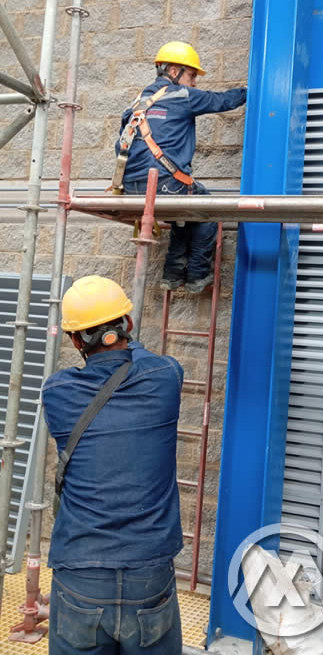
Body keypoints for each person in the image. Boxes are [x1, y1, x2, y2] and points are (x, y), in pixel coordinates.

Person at [42, 275, 184, 654]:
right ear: (129, 324)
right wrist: (120, 338)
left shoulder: (57, 393)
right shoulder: (166, 377)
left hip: (80, 569)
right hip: (148, 571)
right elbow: (142, 356)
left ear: (75, 341)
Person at [115, 41, 247, 293]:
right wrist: (249, 91)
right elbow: (221, 101)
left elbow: (121, 146)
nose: (194, 82)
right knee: (208, 210)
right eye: (192, 75)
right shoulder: (181, 95)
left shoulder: (136, 104)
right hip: (165, 184)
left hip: (130, 189)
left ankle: (172, 275)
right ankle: (197, 275)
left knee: (182, 218)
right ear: (174, 71)